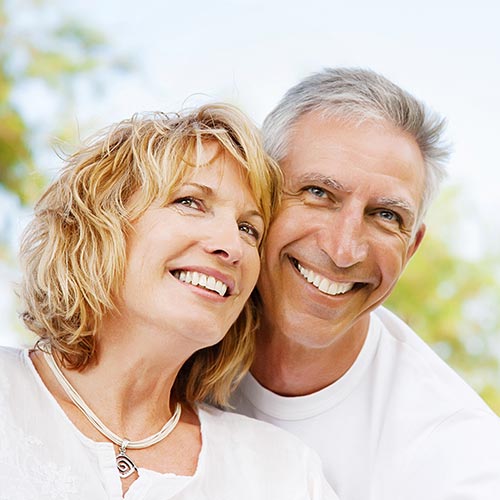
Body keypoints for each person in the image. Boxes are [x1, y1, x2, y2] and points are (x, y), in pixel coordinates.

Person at [0, 104, 338, 499]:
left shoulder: (284, 472)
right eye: (191, 202)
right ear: (100, 224)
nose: (231, 247)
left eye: (248, 229)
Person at [231, 68, 500, 499]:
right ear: (258, 193)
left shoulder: (460, 456)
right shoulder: (170, 337)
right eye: (318, 193)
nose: (343, 250)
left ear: (411, 248)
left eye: (386, 216)